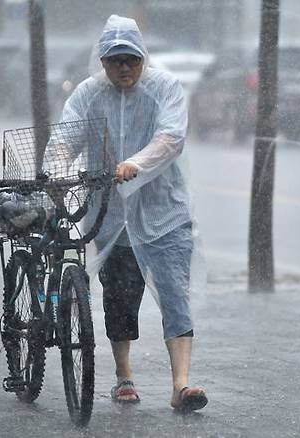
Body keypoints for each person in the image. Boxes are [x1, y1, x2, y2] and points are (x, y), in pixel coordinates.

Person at [55, 14, 207, 412]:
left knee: (175, 296)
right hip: (110, 217)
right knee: (120, 300)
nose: (124, 67)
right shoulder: (88, 95)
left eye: (131, 59)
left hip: (164, 214)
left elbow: (170, 138)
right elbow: (65, 139)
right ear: (102, 62)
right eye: (115, 59)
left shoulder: (165, 88)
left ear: (143, 58)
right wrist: (54, 173)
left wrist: (134, 165)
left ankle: (181, 386)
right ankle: (124, 377)